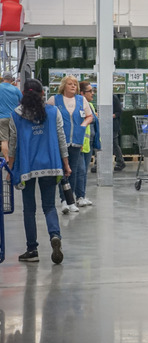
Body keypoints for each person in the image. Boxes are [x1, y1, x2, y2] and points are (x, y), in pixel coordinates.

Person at [9, 79, 71, 264]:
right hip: (51, 164)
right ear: (42, 93)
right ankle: (54, 235)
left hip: (27, 167)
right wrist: (66, 164)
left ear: (23, 95)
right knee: (49, 206)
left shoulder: (16, 115)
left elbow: (13, 144)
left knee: (29, 209)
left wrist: (10, 168)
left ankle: (32, 250)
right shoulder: (53, 112)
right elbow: (61, 139)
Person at [47, 75, 93, 214]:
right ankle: (63, 200)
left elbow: (89, 116)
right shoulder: (54, 100)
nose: (73, 86)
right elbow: (46, 116)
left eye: (75, 84)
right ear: (63, 86)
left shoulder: (81, 100)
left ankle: (70, 200)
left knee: (72, 171)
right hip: (59, 141)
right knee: (62, 171)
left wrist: (82, 126)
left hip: (76, 142)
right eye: (70, 84)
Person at [78, 82, 99, 206]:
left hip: (89, 143)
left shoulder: (90, 105)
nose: (93, 93)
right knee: (79, 171)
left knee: (84, 171)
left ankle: (82, 195)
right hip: (79, 143)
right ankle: (77, 197)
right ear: (82, 93)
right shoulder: (78, 106)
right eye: (90, 91)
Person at [0, 71, 22, 160]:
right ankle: (14, 158)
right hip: (14, 117)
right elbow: (22, 101)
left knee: (4, 140)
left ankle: (7, 160)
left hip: (2, 117)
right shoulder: (15, 89)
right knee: (14, 139)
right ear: (11, 79)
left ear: (3, 78)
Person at [113, 94, 126, 172]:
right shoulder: (102, 97)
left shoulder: (113, 97)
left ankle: (120, 161)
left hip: (114, 125)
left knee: (114, 143)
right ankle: (97, 163)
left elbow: (119, 112)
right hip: (106, 124)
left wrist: (112, 116)